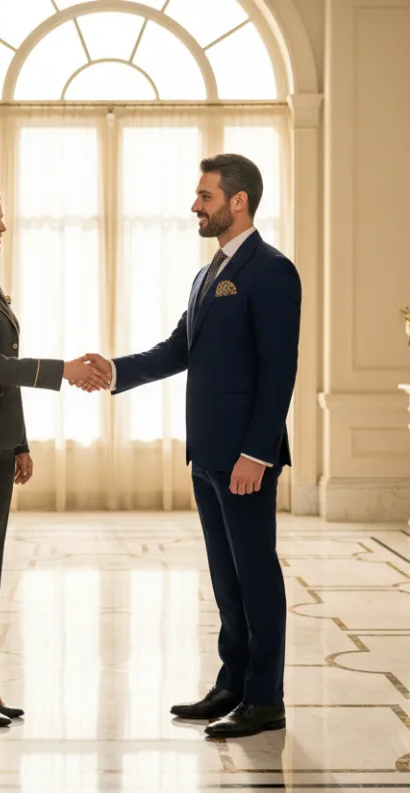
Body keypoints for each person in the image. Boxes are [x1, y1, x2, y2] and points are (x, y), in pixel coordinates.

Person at [85, 155, 300, 738]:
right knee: (225, 576)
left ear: (238, 202)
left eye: (204, 196)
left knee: (256, 574)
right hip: (206, 453)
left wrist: (258, 454)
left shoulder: (272, 270)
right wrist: (113, 370)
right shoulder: (207, 274)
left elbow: (279, 370)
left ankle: (265, 698)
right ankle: (232, 683)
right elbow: (179, 348)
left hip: (244, 458)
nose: (194, 206)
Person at [0, 182, 109, 728]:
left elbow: (3, 368)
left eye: (1, 217)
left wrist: (20, 442)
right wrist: (62, 371)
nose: (1, 225)